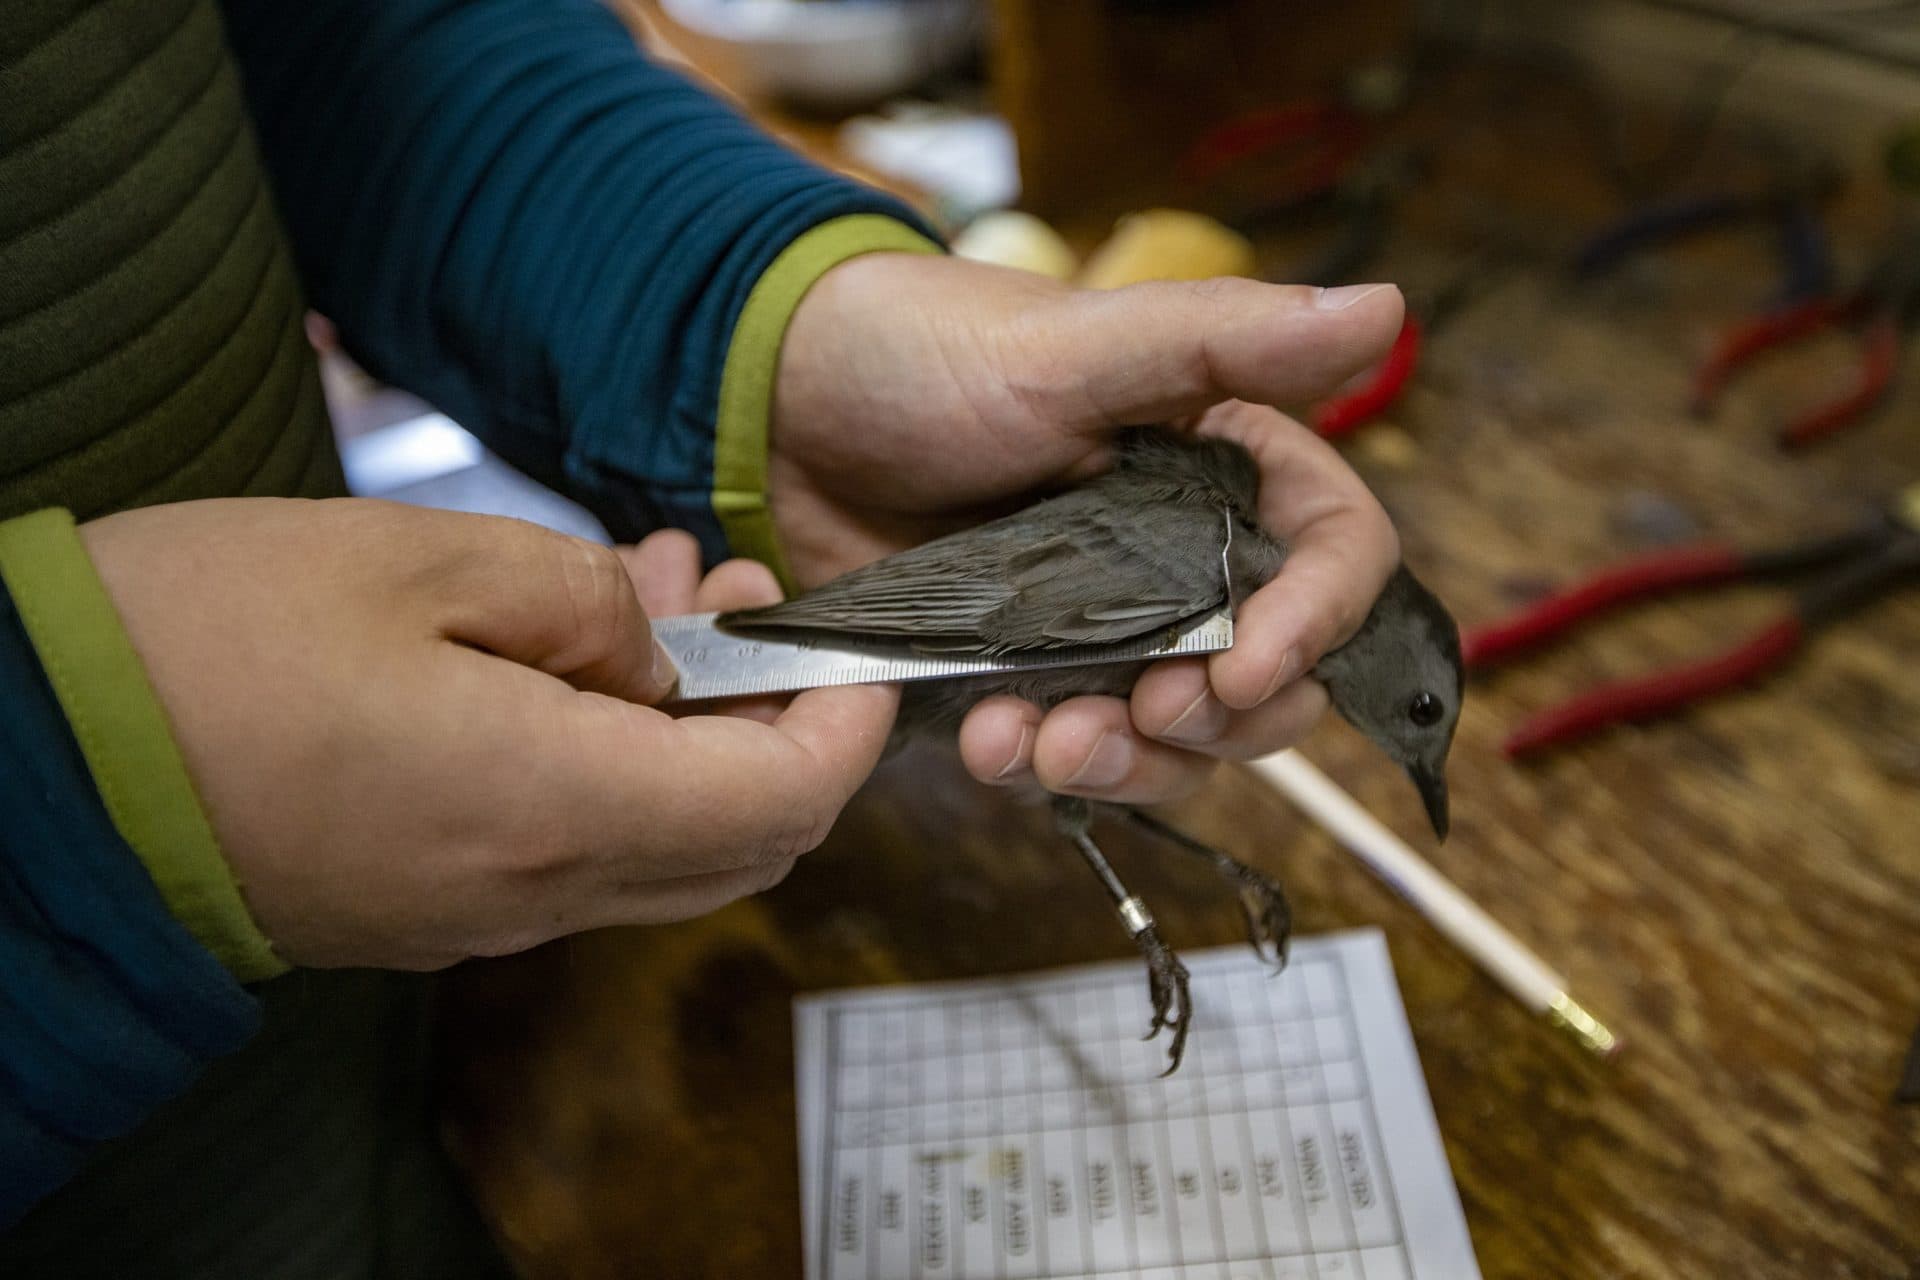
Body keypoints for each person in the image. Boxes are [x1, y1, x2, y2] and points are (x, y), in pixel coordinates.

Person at [0, 0, 1404, 1273]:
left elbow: (343, 45)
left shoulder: (1202, 537)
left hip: (392, 1111)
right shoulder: (1187, 548)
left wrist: (764, 316)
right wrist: (88, 806)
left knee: (1079, 744)